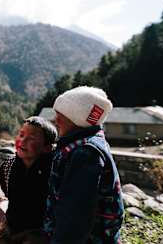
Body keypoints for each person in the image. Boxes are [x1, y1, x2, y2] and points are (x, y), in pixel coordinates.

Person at [42, 86, 124, 244]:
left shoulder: (85, 154)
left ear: (77, 119)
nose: (55, 121)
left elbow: (75, 215)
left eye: (61, 116)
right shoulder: (86, 143)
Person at [0, 116, 57, 242]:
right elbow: (7, 192)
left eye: (31, 138)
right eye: (21, 134)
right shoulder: (7, 167)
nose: (22, 141)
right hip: (11, 231)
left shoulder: (53, 172)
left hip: (40, 235)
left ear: (47, 148)